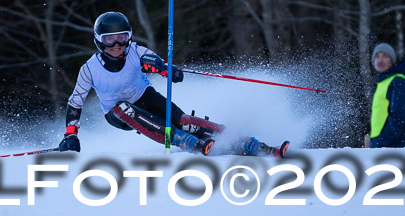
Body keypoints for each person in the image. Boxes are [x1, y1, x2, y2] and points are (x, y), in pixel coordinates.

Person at [58, 11, 288, 157]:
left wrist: (168, 71)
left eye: (122, 37)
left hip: (145, 97)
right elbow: (75, 102)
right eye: (109, 39)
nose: (117, 44)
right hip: (117, 114)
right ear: (99, 41)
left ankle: (247, 142)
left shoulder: (136, 51)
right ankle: (183, 141)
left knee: (183, 121)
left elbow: (153, 62)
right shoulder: (89, 69)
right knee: (121, 107)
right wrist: (71, 135)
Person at [366, 43, 405, 148]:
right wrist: (374, 140)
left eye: (385, 56)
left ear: (392, 61)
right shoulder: (382, 83)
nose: (380, 60)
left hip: (398, 144)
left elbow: (400, 117)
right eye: (377, 56)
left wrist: (381, 141)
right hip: (386, 145)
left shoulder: (397, 81)